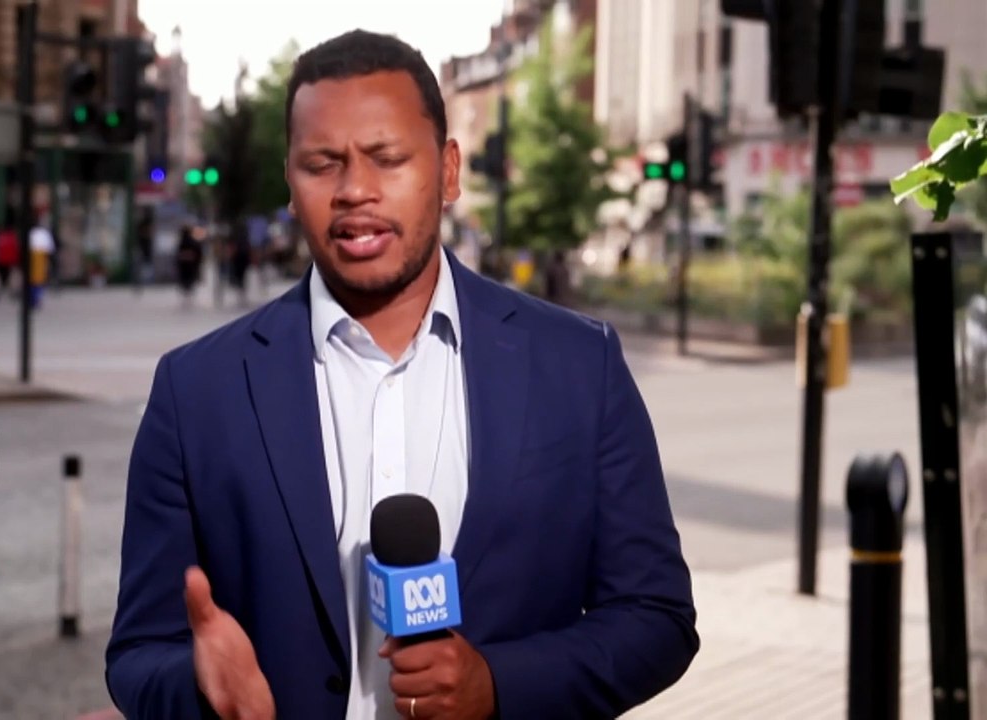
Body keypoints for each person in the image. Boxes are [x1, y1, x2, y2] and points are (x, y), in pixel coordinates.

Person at [106, 30, 698, 720]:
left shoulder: (577, 364)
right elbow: (140, 652)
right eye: (322, 164)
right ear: (291, 186)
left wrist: (497, 684)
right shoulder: (197, 390)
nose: (356, 190)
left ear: (448, 171)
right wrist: (204, 693)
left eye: (387, 159)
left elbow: (655, 617)